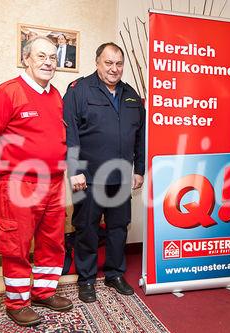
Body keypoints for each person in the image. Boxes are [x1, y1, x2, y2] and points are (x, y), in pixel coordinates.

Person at [0, 36, 73, 327]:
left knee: (51, 242)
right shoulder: (6, 93)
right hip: (20, 184)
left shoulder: (55, 95)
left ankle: (44, 292)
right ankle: (17, 302)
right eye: (41, 56)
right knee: (16, 244)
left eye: (53, 58)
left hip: (54, 183)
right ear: (26, 58)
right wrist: (9, 168)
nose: (48, 62)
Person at [63, 42, 145, 302]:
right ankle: (86, 279)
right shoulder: (79, 91)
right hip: (88, 177)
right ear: (97, 62)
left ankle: (114, 273)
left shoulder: (131, 95)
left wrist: (139, 169)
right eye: (108, 63)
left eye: (119, 63)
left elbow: (140, 137)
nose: (114, 69)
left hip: (121, 177)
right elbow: (70, 133)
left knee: (119, 228)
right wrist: (74, 170)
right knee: (86, 229)